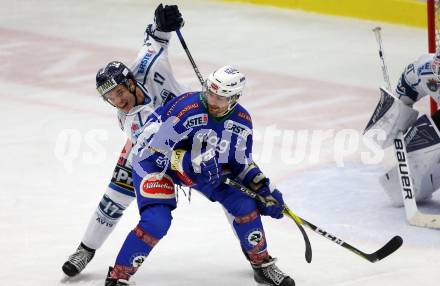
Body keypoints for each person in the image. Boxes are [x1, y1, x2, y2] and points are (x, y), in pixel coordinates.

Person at [104, 66, 295, 286]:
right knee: (157, 221)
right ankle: (118, 276)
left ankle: (261, 264)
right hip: (154, 163)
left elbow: (240, 162)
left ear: (234, 98)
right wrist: (188, 161)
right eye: (209, 93)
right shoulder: (186, 108)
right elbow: (154, 148)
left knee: (245, 206)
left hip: (204, 168)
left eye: (220, 97)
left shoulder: (241, 122)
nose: (212, 100)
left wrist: (264, 190)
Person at [62, 4, 188, 276]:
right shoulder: (126, 117)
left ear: (131, 82)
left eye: (119, 92)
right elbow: (151, 147)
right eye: (110, 99)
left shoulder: (148, 65)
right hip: (147, 153)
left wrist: (161, 25)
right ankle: (85, 249)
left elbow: (155, 40)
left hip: (189, 140)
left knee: (229, 189)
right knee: (113, 198)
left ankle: (258, 259)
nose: (118, 102)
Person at [364, 51, 440, 207]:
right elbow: (406, 87)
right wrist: (397, 115)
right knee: (422, 136)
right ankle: (413, 186)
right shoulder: (424, 70)